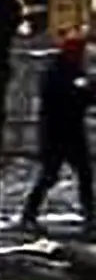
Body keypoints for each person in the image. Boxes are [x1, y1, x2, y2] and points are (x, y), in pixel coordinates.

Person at [24, 30, 96, 231]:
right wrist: (84, 92)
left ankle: (90, 216)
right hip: (55, 134)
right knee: (49, 175)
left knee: (84, 174)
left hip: (73, 132)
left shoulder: (74, 71)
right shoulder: (55, 72)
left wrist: (88, 91)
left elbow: (84, 98)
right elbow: (66, 99)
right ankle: (28, 215)